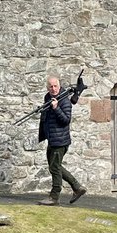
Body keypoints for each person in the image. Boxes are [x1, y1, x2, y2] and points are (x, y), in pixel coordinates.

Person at [37, 75, 86, 206]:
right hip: (52, 138)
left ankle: (54, 197)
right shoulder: (48, 97)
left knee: (54, 167)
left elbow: (66, 120)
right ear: (47, 87)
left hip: (60, 141)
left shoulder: (64, 101)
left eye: (55, 86)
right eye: (50, 86)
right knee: (55, 166)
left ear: (59, 86)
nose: (53, 89)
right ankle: (77, 188)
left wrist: (56, 108)